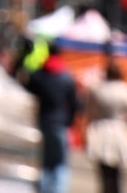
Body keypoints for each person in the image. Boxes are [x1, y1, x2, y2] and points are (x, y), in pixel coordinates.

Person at [24, 40, 82, 193]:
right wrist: (70, 121)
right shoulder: (66, 76)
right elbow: (75, 103)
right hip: (60, 123)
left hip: (42, 122)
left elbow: (29, 96)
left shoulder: (39, 75)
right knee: (60, 163)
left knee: (44, 161)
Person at [86, 56, 127, 193]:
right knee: (117, 173)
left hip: (101, 130)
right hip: (119, 130)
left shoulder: (97, 89)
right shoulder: (125, 89)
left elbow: (90, 112)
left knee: (104, 173)